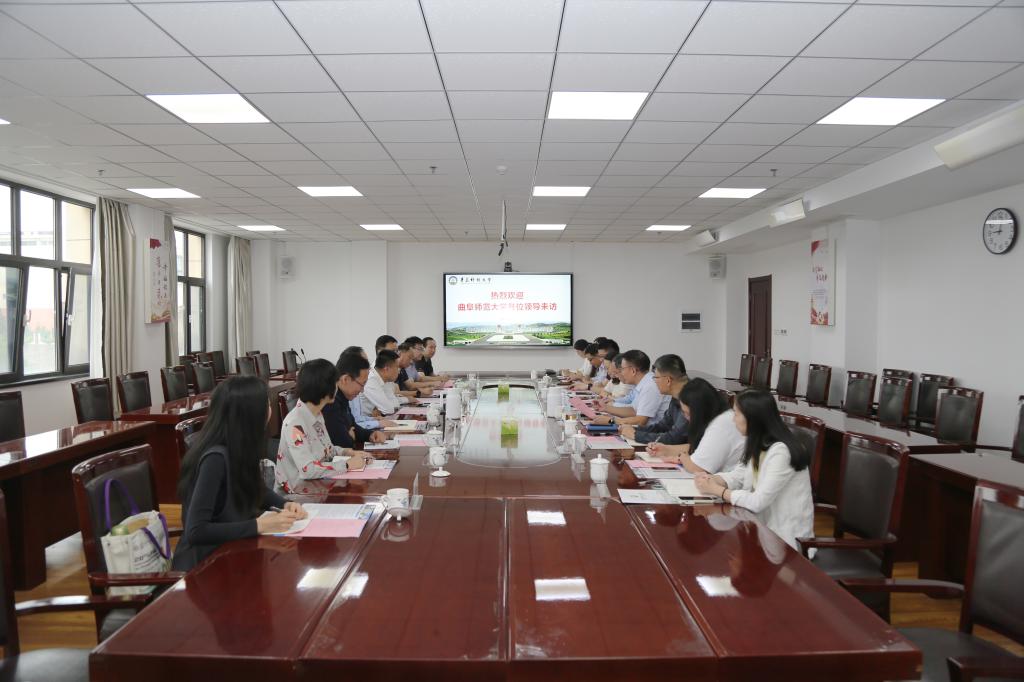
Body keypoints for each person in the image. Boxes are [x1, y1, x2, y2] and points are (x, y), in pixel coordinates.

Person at [173, 376, 307, 571]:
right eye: (266, 405)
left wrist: (285, 503)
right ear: (250, 414)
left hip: (234, 551)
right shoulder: (215, 459)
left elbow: (255, 488)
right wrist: (259, 525)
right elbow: (196, 530)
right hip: (205, 565)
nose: (270, 411)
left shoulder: (240, 447)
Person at [694, 389, 813, 549]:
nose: (733, 419)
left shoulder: (782, 452)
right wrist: (713, 479)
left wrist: (718, 491)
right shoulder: (757, 442)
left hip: (786, 542)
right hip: (761, 530)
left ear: (752, 417)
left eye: (736, 414)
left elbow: (758, 502)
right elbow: (739, 475)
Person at [275, 359, 371, 495]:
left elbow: (328, 450)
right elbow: (308, 470)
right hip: (296, 495)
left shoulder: (317, 414)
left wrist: (348, 452)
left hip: (318, 487)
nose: (337, 388)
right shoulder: (295, 424)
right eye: (335, 383)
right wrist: (347, 464)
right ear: (325, 388)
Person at [649, 378, 745, 474]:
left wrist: (682, 457)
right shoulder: (717, 416)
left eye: (688, 413)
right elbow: (698, 448)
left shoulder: (721, 425)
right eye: (683, 412)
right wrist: (666, 449)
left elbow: (697, 468)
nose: (686, 418)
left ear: (700, 411)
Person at [322, 351, 389, 449]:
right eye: (362, 384)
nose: (362, 390)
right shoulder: (330, 402)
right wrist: (350, 437)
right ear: (345, 379)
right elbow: (342, 443)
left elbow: (353, 426)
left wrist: (370, 434)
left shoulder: (343, 397)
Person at [619, 354, 689, 445]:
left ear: (668, 380)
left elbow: (675, 438)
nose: (654, 381)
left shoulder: (690, 399)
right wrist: (635, 430)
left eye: (656, 377)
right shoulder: (676, 396)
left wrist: (636, 435)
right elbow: (663, 426)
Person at [589, 350, 670, 427]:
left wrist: (610, 421)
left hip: (652, 433)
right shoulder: (643, 382)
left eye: (622, 369)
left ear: (633, 371)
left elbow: (641, 421)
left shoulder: (650, 386)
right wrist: (606, 408)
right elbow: (633, 411)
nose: (620, 373)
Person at [361, 349, 405, 417]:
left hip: (374, 418)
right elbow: (388, 409)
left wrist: (380, 409)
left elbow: (395, 404)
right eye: (397, 367)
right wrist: (383, 408)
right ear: (386, 369)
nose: (399, 371)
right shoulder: (371, 380)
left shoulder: (386, 379)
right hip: (363, 421)